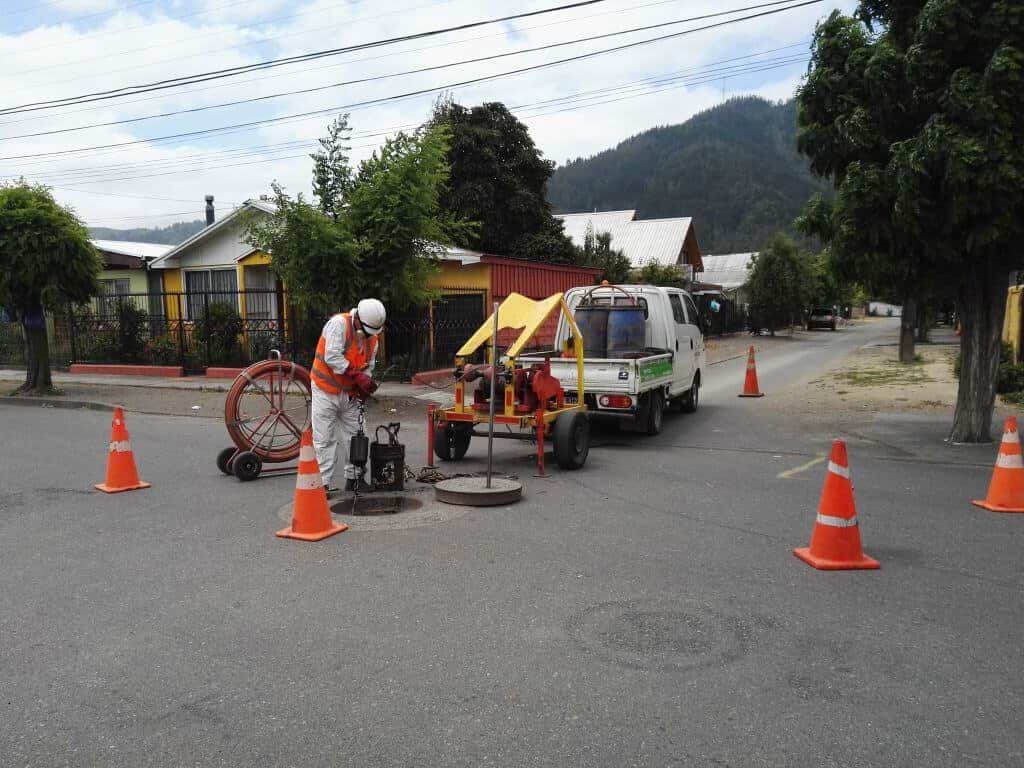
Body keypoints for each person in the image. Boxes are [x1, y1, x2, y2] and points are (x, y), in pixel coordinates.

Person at [310, 298, 386, 492]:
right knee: (325, 439)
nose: (369, 336)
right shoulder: (338, 324)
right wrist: (356, 375)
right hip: (325, 391)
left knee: (357, 437)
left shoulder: (372, 339)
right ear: (358, 320)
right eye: (367, 331)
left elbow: (368, 365)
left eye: (372, 333)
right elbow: (332, 356)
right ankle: (322, 485)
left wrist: (365, 385)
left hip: (350, 395)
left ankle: (355, 479)